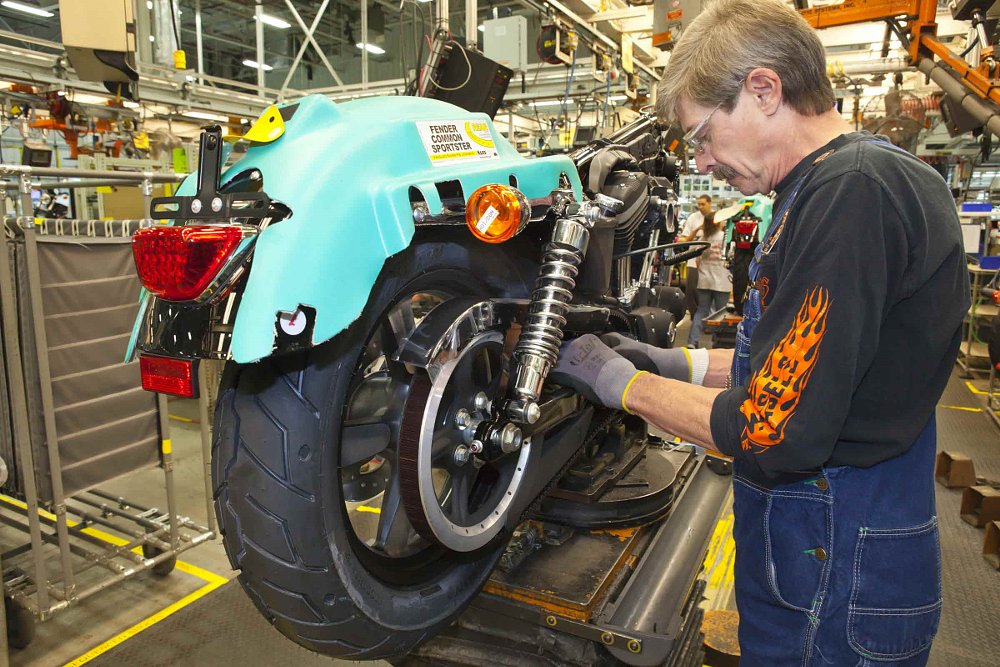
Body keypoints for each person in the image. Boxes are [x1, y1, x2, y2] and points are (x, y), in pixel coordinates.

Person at [548, 0, 970, 664]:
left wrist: (621, 384)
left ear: (765, 90)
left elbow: (775, 428)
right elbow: (802, 366)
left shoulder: (852, 195)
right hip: (833, 546)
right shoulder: (833, 186)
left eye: (702, 135)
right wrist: (672, 362)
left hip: (833, 566)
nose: (703, 163)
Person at [680, 210, 731, 348]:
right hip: (722, 281)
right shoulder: (725, 238)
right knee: (721, 314)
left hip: (704, 280)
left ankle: (692, 341)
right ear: (718, 222)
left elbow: (697, 261)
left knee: (701, 310)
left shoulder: (703, 238)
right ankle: (717, 343)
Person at [679, 194, 713, 321]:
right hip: (694, 257)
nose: (700, 206)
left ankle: (707, 317)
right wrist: (697, 229)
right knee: (691, 290)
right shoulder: (693, 217)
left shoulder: (716, 217)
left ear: (709, 203)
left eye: (703, 204)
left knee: (708, 290)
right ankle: (695, 317)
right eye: (699, 204)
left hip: (710, 259)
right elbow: (685, 238)